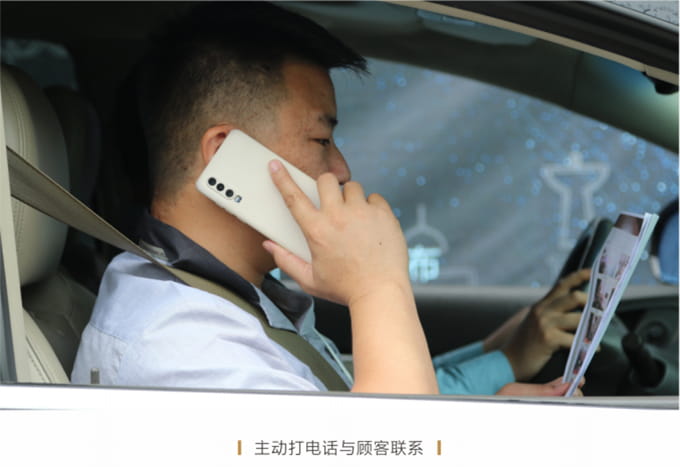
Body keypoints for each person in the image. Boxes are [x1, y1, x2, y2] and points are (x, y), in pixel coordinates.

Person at [72, 2, 586, 396]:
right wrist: (377, 287)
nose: (341, 170)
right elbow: (399, 445)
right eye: (321, 140)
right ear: (226, 153)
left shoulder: (230, 300)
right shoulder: (187, 348)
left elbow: (343, 397)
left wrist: (499, 386)